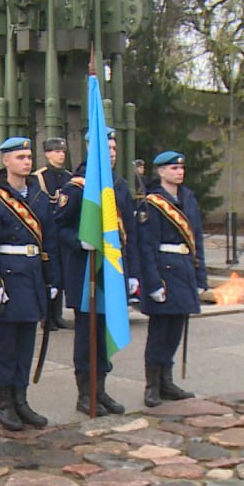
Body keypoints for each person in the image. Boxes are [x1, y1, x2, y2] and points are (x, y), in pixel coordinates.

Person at [0, 137, 60, 430]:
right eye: (20, 157)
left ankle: (21, 399)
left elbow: (49, 242)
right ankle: (5, 403)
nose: (26, 161)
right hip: (7, 280)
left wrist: (52, 279)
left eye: (28, 156)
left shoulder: (39, 198)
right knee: (6, 346)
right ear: (5, 161)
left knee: (26, 344)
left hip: (33, 277)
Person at [54, 127, 135, 416]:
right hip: (86, 271)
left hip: (110, 271)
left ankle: (101, 390)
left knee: (103, 335)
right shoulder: (77, 187)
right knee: (86, 336)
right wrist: (80, 241)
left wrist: (132, 272)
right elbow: (58, 227)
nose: (111, 154)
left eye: (114, 148)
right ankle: (84, 394)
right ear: (90, 148)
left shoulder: (119, 185)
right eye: (106, 148)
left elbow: (129, 234)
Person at [136, 151, 206, 408]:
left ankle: (167, 381)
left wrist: (200, 276)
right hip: (164, 271)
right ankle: (152, 385)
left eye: (181, 168)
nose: (179, 172)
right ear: (161, 172)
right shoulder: (151, 203)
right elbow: (146, 246)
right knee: (159, 332)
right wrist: (152, 283)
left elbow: (197, 239)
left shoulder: (188, 198)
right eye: (173, 168)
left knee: (177, 328)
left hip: (184, 269)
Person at [32, 137, 72, 330]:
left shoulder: (68, 178)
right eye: (56, 152)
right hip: (46, 232)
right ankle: (46, 315)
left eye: (62, 152)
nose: (60, 155)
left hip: (62, 233)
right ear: (47, 154)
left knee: (62, 273)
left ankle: (57, 314)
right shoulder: (39, 177)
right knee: (47, 273)